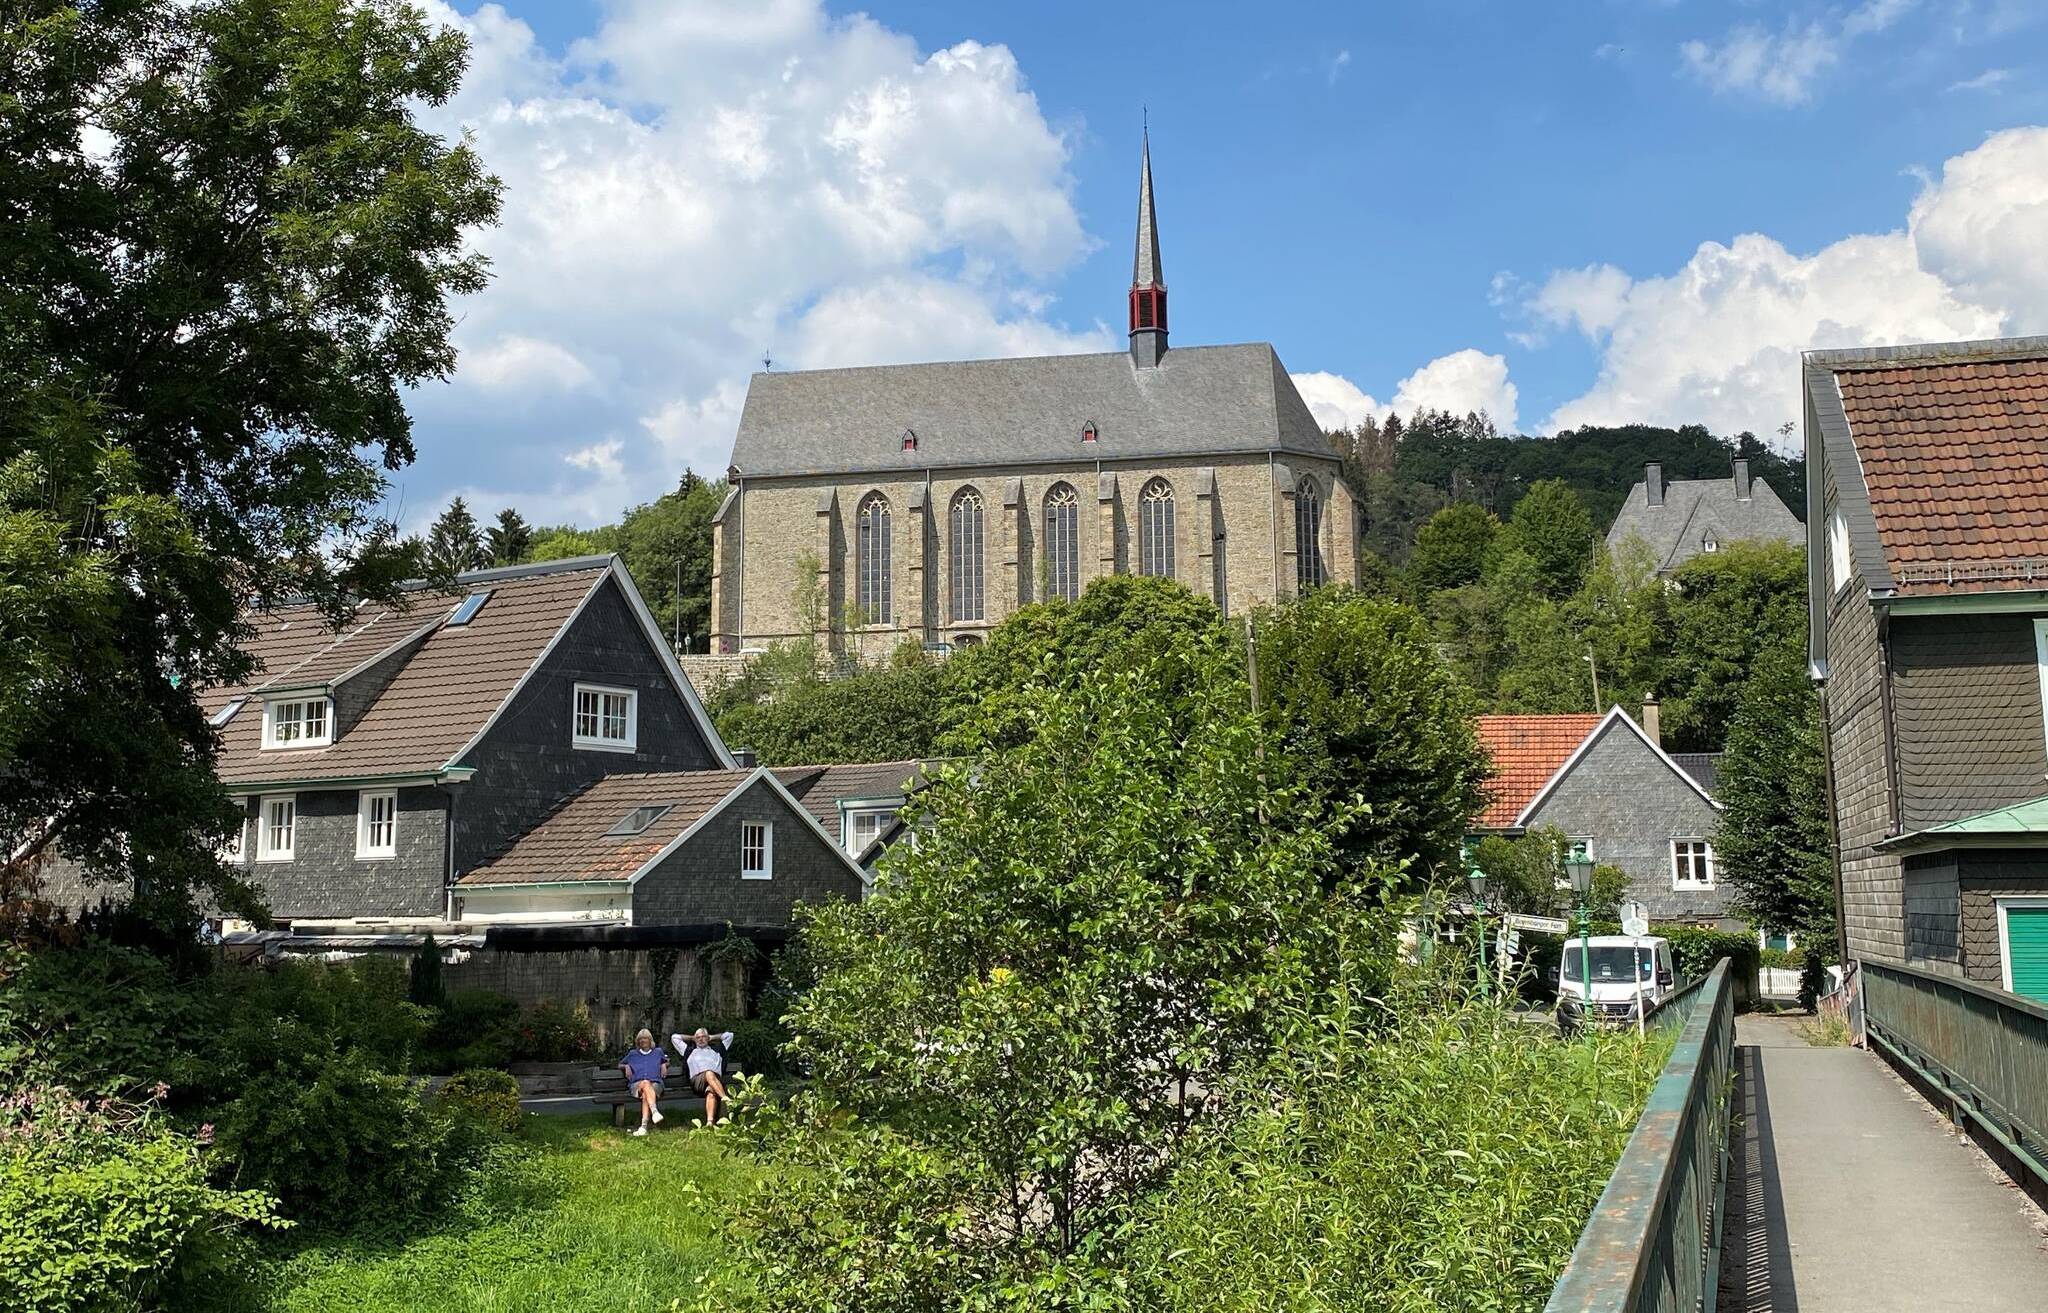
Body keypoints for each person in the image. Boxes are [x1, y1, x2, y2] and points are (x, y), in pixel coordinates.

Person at [671, 1027, 734, 1125]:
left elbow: (729, 1035)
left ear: (708, 1039)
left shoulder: (718, 1050)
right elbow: (674, 1037)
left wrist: (712, 1037)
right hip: (697, 1082)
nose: (701, 1039)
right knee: (709, 1072)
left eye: (703, 1037)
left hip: (715, 1081)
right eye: (698, 1037)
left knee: (711, 1092)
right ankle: (725, 1099)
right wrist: (692, 1037)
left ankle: (710, 1122)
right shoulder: (689, 1051)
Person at [618, 1028, 668, 1137]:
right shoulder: (632, 1054)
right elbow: (620, 1064)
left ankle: (643, 1127)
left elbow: (666, 1061)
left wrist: (664, 1064)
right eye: (640, 1039)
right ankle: (654, 1112)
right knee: (645, 1083)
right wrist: (626, 1066)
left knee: (647, 1093)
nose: (642, 1041)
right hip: (637, 1085)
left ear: (650, 1040)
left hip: (656, 1084)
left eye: (645, 1038)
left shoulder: (658, 1052)